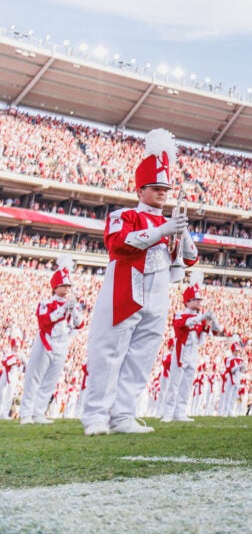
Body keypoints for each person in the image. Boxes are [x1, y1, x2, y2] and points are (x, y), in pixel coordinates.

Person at [82, 129, 199, 436]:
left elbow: (191, 258)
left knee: (140, 358)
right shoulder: (124, 214)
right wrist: (163, 231)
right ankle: (96, 414)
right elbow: (118, 244)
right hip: (126, 291)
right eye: (155, 187)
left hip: (158, 296)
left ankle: (123, 415)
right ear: (141, 190)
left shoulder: (169, 221)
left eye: (165, 188)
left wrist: (181, 231)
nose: (162, 192)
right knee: (109, 353)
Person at [19, 256, 85, 424]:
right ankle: (25, 414)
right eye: (63, 285)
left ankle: (39, 412)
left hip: (62, 344)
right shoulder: (46, 303)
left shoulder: (72, 304)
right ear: (55, 287)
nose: (66, 288)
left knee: (50, 380)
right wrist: (63, 310)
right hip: (46, 342)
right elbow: (44, 322)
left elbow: (79, 324)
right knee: (34, 377)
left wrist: (73, 310)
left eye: (68, 285)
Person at [161, 270, 222, 422]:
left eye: (199, 300)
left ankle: (180, 412)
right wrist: (201, 317)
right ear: (188, 301)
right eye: (196, 299)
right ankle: (168, 413)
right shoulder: (181, 314)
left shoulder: (200, 318)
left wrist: (212, 319)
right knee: (174, 383)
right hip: (181, 352)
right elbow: (184, 324)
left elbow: (216, 330)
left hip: (193, 352)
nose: (199, 302)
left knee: (186, 384)